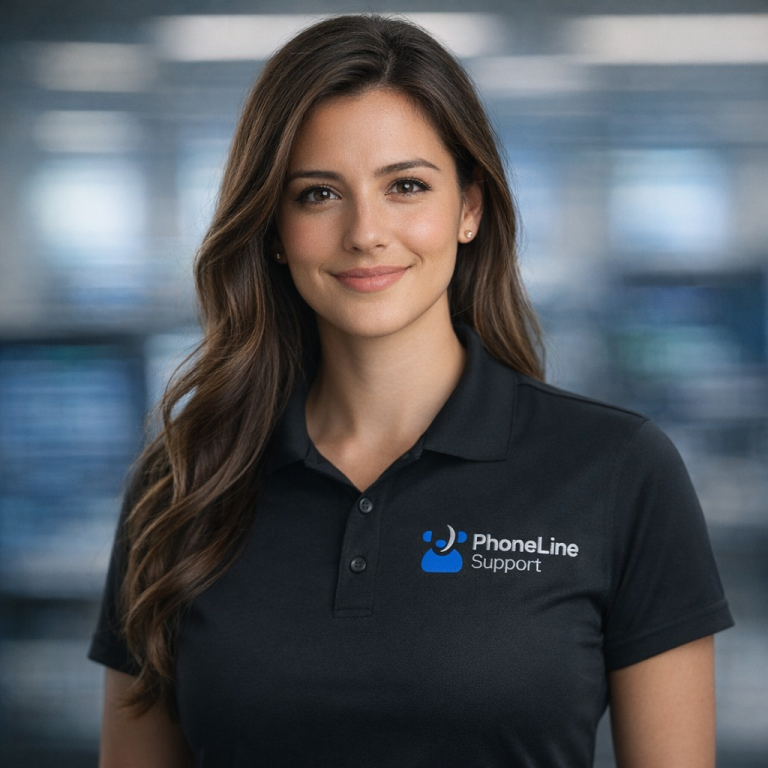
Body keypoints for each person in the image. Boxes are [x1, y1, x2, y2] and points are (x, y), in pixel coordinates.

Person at [89, 14, 733, 768]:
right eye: (319, 194)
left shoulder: (620, 471)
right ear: (272, 228)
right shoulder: (186, 482)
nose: (366, 232)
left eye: (405, 186)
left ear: (469, 209)